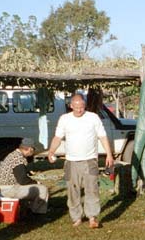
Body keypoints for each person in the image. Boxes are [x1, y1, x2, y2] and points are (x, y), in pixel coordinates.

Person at [47, 93, 114, 228]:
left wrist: (109, 154)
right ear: (71, 106)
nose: (79, 110)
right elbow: (58, 137)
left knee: (92, 189)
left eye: (82, 107)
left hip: (90, 160)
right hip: (71, 161)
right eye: (76, 107)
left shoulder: (93, 117)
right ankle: (76, 217)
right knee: (73, 190)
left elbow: (102, 136)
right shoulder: (65, 119)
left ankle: (92, 217)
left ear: (85, 106)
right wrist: (51, 151)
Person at [0, 138, 49, 215]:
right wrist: (37, 182)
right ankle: (36, 213)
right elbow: (22, 180)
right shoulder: (18, 159)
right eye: (33, 150)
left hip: (6, 187)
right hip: (10, 189)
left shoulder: (14, 154)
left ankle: (30, 208)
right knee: (43, 189)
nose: (33, 152)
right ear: (30, 149)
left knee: (35, 187)